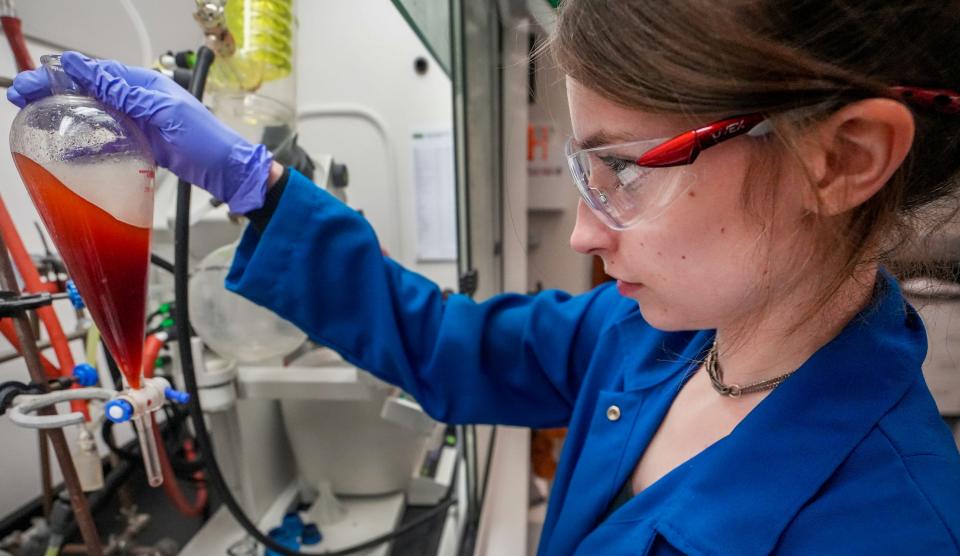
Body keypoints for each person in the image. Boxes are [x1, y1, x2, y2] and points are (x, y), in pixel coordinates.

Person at [9, 1, 960, 553]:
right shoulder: (647, 337)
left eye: (624, 168)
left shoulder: (893, 526)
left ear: (843, 159)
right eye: (585, 170)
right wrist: (252, 184)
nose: (585, 231)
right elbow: (444, 345)